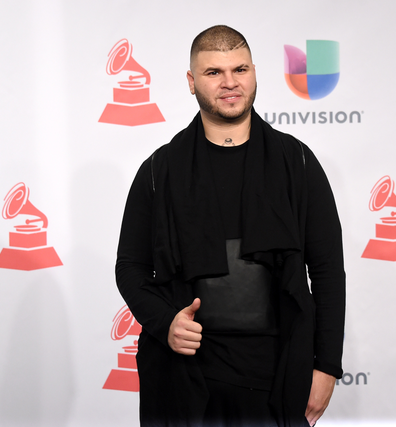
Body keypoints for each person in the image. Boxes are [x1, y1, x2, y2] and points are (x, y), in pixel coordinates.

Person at [115, 25, 346, 427]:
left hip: (276, 376)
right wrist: (165, 322)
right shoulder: (158, 170)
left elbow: (327, 271)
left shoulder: (298, 164)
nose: (229, 83)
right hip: (183, 378)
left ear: (254, 72)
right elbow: (130, 267)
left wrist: (326, 367)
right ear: (191, 82)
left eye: (239, 69)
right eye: (213, 72)